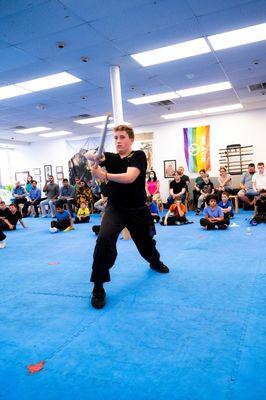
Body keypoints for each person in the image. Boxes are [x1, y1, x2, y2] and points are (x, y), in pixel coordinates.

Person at [85, 124, 169, 309]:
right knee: (103, 240)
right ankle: (98, 286)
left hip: (137, 209)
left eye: (122, 137)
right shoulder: (112, 157)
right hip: (115, 208)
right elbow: (88, 155)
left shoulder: (138, 156)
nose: (118, 141)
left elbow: (130, 177)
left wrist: (104, 175)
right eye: (115, 138)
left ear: (131, 139)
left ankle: (154, 261)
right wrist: (93, 155)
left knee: (145, 244)